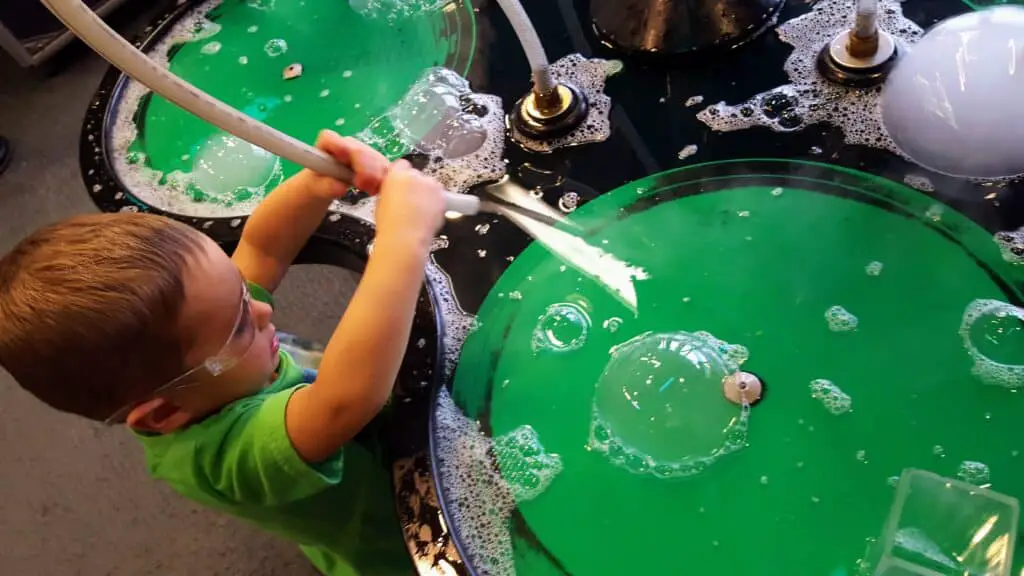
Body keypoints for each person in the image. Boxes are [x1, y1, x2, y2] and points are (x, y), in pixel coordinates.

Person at [0, 131, 447, 575]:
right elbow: (342, 402)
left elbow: (261, 249)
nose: (260, 309)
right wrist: (402, 241)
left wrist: (316, 184)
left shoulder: (200, 352)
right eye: (237, 326)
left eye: (239, 293)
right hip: (401, 538)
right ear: (163, 415)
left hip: (381, 439)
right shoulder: (223, 459)